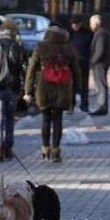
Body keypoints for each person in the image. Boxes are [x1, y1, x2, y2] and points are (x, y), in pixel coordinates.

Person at [24, 25, 81, 163]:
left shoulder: (41, 46)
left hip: (44, 88)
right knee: (57, 120)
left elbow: (31, 69)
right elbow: (76, 71)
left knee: (45, 119)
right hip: (62, 88)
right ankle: (56, 150)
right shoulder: (69, 47)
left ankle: (45, 149)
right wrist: (77, 91)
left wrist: (28, 90)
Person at [0, 21, 25, 162]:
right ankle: (8, 148)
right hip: (12, 89)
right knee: (10, 120)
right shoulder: (19, 48)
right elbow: (22, 68)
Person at [89, 14, 110, 116]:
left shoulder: (101, 34)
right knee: (100, 85)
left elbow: (100, 51)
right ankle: (101, 105)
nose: (90, 25)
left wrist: (92, 62)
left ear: (96, 23)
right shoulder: (101, 32)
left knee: (101, 85)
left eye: (91, 23)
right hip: (100, 63)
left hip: (100, 64)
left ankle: (102, 107)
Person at [69, 15, 93, 113]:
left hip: (84, 62)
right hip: (72, 63)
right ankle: (71, 105)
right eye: (73, 24)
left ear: (80, 24)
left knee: (84, 85)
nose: (74, 26)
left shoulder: (88, 33)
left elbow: (92, 47)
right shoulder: (69, 33)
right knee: (72, 85)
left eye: (76, 24)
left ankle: (84, 105)